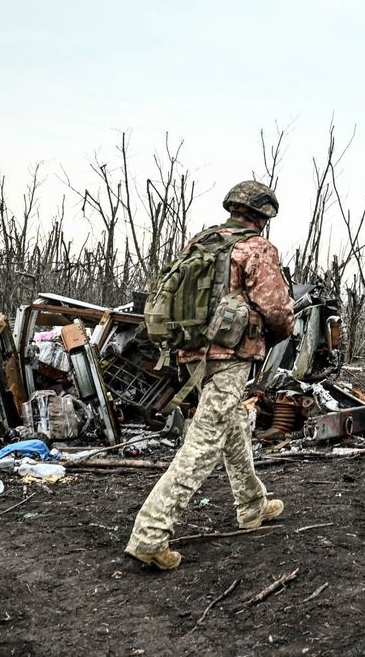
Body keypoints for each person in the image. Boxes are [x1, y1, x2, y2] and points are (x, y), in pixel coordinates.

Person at [126, 180, 294, 571]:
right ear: (264, 215)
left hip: (190, 353)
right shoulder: (256, 248)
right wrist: (284, 330)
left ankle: (252, 505)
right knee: (202, 444)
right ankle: (149, 534)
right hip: (230, 355)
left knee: (231, 423)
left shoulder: (199, 243)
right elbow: (275, 308)